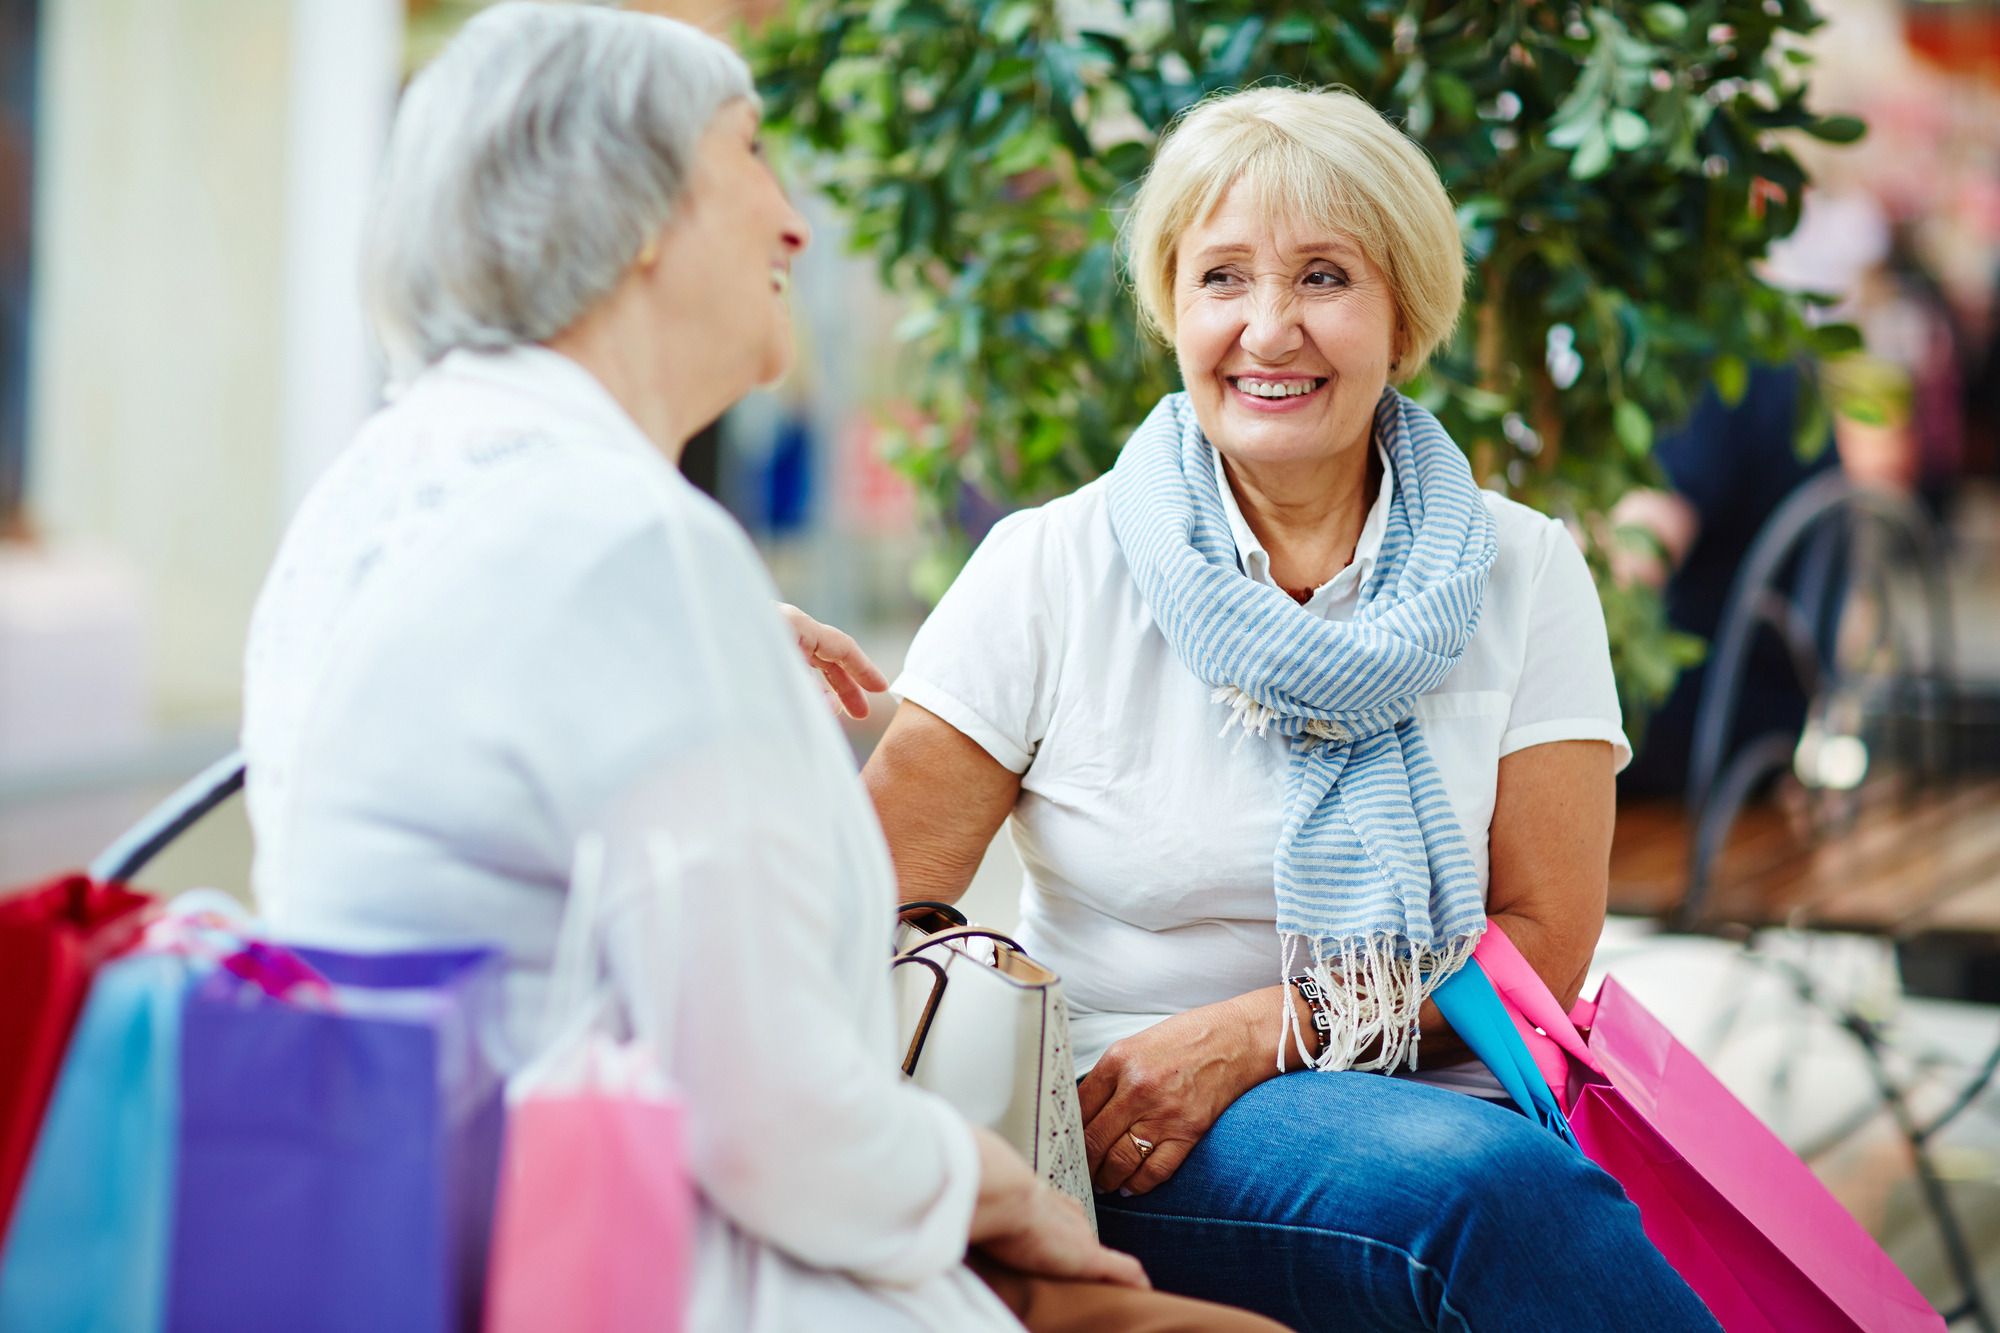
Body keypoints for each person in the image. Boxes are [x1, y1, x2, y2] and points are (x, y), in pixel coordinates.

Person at [239, 7, 1284, 1331]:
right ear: (630, 213)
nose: (793, 224)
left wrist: (712, 651)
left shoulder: (394, 490)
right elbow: (772, 1115)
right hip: (640, 1261)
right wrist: (1004, 1194)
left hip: (428, 1229)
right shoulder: (622, 543)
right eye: (750, 159)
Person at [863, 86, 1724, 1332]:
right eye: (1221, 279)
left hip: (1457, 1093)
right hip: (1133, 1125)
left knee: (1486, 1178)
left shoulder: (1520, 568)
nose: (1268, 331)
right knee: (1470, 1193)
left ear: (1402, 313)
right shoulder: (1051, 566)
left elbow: (1542, 940)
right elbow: (875, 910)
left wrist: (1268, 1029)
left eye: (1323, 276)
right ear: (1172, 306)